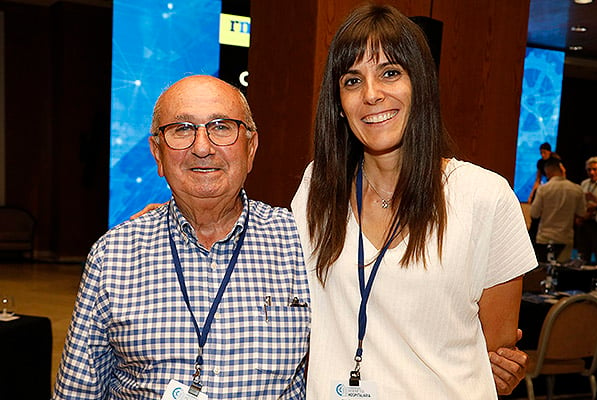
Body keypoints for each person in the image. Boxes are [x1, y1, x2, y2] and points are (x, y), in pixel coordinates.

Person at [290, 5, 537, 399]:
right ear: (338, 102)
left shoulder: (484, 197)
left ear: (419, 84)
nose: (372, 94)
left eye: (390, 72)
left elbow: (497, 358)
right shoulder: (317, 186)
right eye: (353, 80)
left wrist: (504, 369)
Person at [53, 75, 310, 399]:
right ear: (157, 153)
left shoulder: (300, 244)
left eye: (221, 127)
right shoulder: (114, 255)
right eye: (182, 129)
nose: (202, 147)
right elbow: (77, 393)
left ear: (251, 147)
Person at [530, 158, 586, 262]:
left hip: (544, 237)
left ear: (547, 172)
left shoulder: (543, 189)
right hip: (565, 238)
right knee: (561, 271)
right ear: (561, 168)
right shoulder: (577, 189)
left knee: (544, 272)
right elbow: (582, 213)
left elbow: (534, 214)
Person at [576, 156, 597, 263]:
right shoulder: (584, 183)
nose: (592, 172)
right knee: (583, 254)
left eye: (595, 169)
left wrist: (596, 201)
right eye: (589, 170)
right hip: (585, 222)